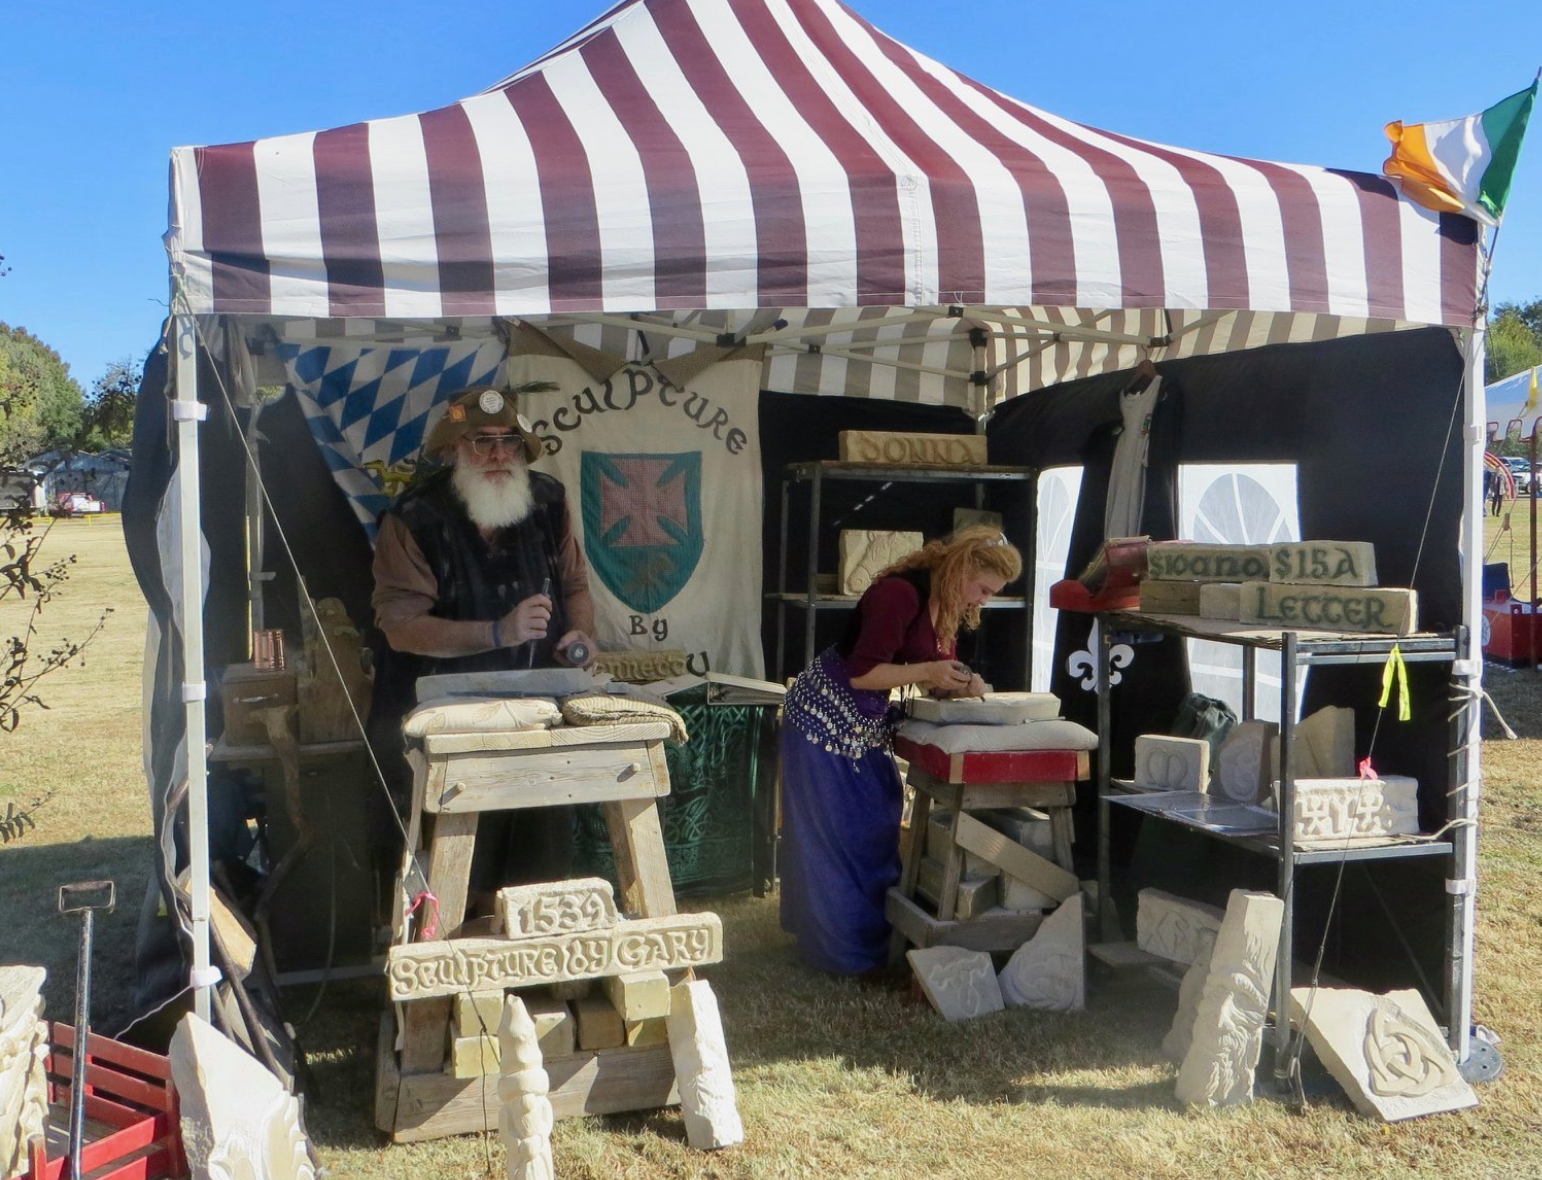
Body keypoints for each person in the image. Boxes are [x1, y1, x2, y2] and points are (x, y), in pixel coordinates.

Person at [368, 382, 598, 888]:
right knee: (455, 865)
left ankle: (530, 926)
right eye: (481, 441)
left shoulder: (547, 500)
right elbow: (401, 629)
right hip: (441, 717)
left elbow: (575, 584)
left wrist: (580, 633)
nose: (497, 454)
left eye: (508, 441)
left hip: (535, 713)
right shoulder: (413, 519)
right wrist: (498, 631)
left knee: (540, 852)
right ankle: (456, 929)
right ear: (453, 450)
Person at [777, 526, 1023, 976]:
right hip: (821, 719)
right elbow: (862, 673)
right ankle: (844, 956)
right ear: (963, 568)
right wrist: (930, 669)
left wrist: (960, 684)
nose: (984, 600)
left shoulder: (947, 604)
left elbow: (931, 674)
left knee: (878, 821)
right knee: (839, 836)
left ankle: (869, 942)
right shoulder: (898, 595)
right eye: (984, 589)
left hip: (863, 723)